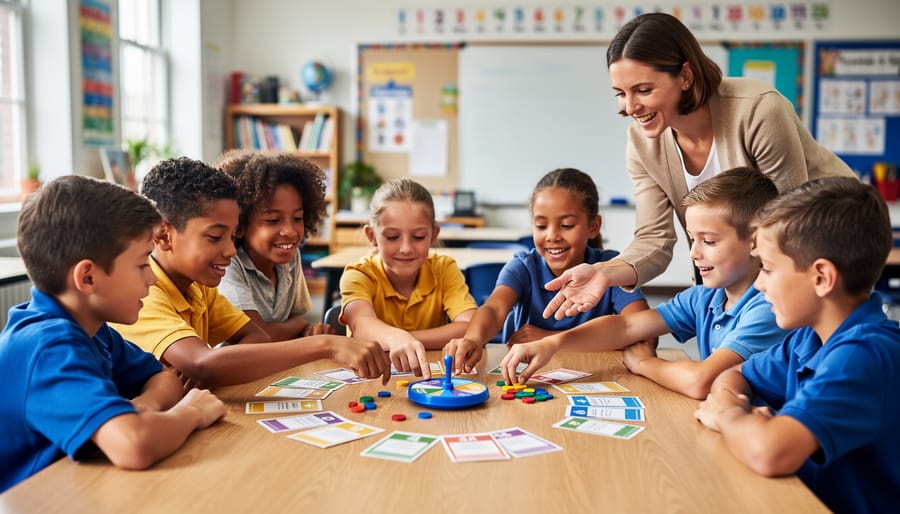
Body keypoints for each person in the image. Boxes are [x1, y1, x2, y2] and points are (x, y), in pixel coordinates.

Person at [543, 12, 855, 321]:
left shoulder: (759, 110)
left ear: (686, 76)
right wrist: (603, 273)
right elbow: (654, 240)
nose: (629, 107)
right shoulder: (642, 144)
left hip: (832, 241)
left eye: (643, 90)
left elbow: (788, 224)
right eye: (621, 94)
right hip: (756, 275)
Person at [0, 176, 226, 492]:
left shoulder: (93, 329)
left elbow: (166, 378)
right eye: (141, 264)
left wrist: (144, 407)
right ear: (88, 277)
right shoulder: (47, 344)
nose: (151, 279)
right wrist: (191, 413)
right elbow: (134, 445)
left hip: (82, 488)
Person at [694, 176, 900, 514]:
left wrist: (727, 414)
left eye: (769, 269)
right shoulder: (809, 338)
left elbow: (768, 452)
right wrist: (740, 409)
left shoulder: (864, 355)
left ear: (821, 278)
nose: (758, 284)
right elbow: (733, 373)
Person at [498, 167, 789, 397]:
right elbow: (626, 326)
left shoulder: (768, 307)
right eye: (693, 239)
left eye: (709, 241)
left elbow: (702, 380)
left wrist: (645, 364)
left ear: (755, 241)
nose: (694, 253)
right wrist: (553, 343)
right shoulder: (704, 298)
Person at [112, 157, 390, 388]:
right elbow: (202, 365)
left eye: (232, 236)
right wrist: (325, 345)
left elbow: (258, 337)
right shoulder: (141, 293)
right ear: (162, 234)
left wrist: (209, 364)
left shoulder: (199, 288)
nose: (232, 251)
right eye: (215, 237)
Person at [445, 168, 650, 374]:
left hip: (595, 373)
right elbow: (494, 309)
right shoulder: (523, 267)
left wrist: (550, 338)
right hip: (532, 373)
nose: (552, 236)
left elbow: (644, 331)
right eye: (541, 226)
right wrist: (472, 339)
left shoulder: (611, 267)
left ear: (593, 226)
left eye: (567, 225)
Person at [340, 178, 477, 379]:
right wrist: (398, 338)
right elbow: (361, 325)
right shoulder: (359, 274)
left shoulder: (444, 268)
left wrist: (406, 339)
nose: (405, 248)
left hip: (428, 378)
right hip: (373, 380)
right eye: (393, 237)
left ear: (433, 235)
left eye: (419, 237)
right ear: (372, 236)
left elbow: (472, 325)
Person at [216, 150, 332, 339]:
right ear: (239, 224)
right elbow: (259, 336)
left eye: (297, 218)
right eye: (272, 220)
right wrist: (301, 325)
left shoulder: (290, 257)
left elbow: (294, 321)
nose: (290, 231)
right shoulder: (227, 265)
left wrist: (306, 330)